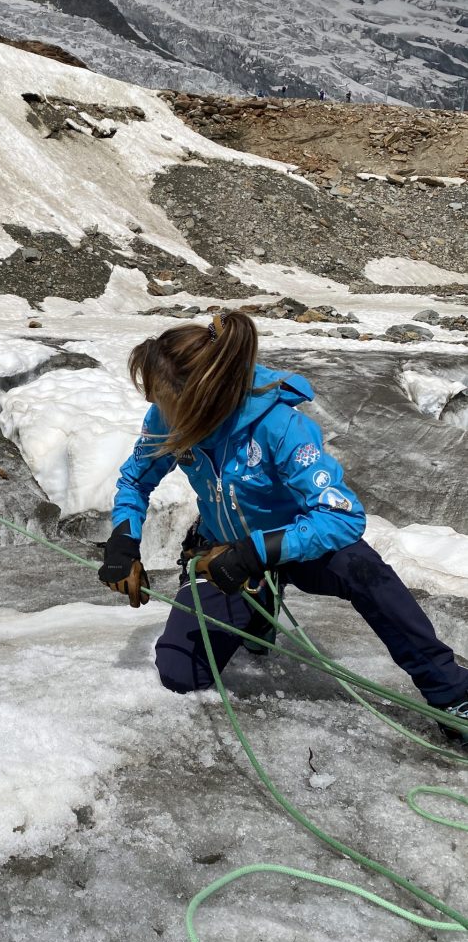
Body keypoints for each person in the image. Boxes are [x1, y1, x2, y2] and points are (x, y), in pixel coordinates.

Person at [98, 311, 468, 745]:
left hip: (298, 542)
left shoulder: (280, 425)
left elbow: (341, 515)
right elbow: (134, 480)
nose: (157, 412)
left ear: (204, 398)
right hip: (221, 548)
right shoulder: (167, 419)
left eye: (166, 400)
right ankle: (259, 605)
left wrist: (255, 553)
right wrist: (123, 541)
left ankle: (450, 692)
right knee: (182, 674)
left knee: (364, 571)